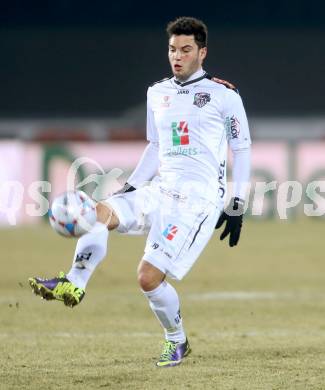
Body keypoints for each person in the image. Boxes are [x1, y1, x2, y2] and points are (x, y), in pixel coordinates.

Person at [29, 16, 251, 367]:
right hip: (160, 188)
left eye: (186, 50)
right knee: (97, 213)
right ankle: (74, 282)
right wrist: (132, 186)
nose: (177, 56)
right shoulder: (157, 93)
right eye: (172, 49)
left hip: (197, 201)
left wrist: (237, 202)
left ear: (202, 52)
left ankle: (177, 341)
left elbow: (241, 148)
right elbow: (155, 145)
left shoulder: (224, 94)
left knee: (148, 278)